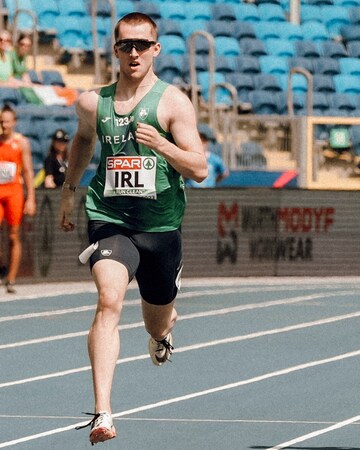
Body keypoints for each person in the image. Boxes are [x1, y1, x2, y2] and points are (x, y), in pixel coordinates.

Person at [58, 13, 207, 445]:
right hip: (111, 218)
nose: (135, 52)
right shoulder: (93, 102)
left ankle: (162, 336)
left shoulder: (173, 103)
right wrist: (70, 189)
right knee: (109, 300)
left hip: (160, 226)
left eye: (143, 45)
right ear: (116, 50)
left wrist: (162, 144)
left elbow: (198, 168)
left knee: (155, 320)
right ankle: (103, 412)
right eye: (126, 45)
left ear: (156, 49)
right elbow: (84, 138)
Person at [0, 104, 36, 293]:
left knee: (13, 234)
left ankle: (11, 279)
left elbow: (29, 172)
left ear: (14, 122)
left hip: (14, 190)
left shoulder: (21, 143)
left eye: (7, 122)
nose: (4, 125)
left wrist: (31, 198)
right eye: (1, 122)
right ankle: (2, 265)